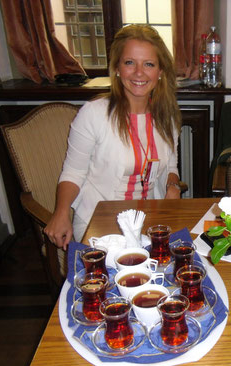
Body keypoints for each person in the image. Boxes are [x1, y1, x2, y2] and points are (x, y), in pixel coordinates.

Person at [45, 24, 182, 249]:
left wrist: (173, 185)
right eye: (130, 62)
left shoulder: (167, 117)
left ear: (160, 72)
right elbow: (73, 171)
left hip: (149, 218)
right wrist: (61, 213)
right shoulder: (93, 114)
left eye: (149, 64)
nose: (139, 73)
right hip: (100, 219)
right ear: (117, 68)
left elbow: (171, 167)